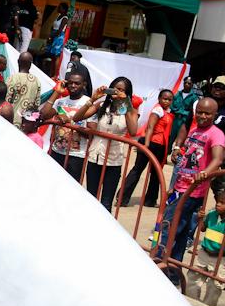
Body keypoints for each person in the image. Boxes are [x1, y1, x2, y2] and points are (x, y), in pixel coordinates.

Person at [157, 98, 225, 284]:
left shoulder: (216, 134)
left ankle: (156, 267)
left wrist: (205, 173)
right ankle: (172, 275)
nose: (203, 116)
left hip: (193, 192)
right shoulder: (195, 130)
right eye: (200, 112)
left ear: (215, 115)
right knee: (178, 234)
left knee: (167, 229)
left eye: (208, 113)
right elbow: (188, 158)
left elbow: (218, 159)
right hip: (181, 186)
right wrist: (175, 181)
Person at [73, 78, 139, 212]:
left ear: (127, 93)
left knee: (106, 203)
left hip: (113, 160)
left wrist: (125, 103)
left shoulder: (130, 110)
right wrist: (92, 99)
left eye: (121, 90)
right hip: (95, 157)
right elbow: (76, 118)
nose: (117, 92)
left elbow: (133, 131)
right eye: (115, 88)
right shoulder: (102, 105)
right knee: (91, 198)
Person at [175, 76, 225, 196]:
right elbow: (185, 126)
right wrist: (177, 147)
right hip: (191, 154)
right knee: (178, 184)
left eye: (223, 88)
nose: (218, 89)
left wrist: (217, 162)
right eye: (216, 86)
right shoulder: (199, 104)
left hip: (215, 158)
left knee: (212, 190)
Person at [188, 191, 225, 306]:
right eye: (217, 201)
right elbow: (203, 229)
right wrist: (200, 219)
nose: (218, 204)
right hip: (204, 252)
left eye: (222, 203)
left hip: (220, 258)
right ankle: (191, 301)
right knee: (194, 278)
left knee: (215, 285)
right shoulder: (212, 214)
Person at [119, 89, 175, 207]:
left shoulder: (166, 111)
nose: (167, 101)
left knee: (155, 174)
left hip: (159, 145)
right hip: (152, 143)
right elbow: (150, 127)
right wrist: (146, 145)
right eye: (164, 99)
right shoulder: (158, 110)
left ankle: (149, 200)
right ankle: (122, 197)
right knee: (138, 170)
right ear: (159, 99)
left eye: (169, 99)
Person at [40, 72, 90, 182]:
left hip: (76, 155)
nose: (73, 86)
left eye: (77, 83)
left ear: (84, 84)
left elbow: (91, 133)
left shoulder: (88, 103)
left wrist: (70, 122)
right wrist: (56, 92)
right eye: (70, 83)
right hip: (56, 152)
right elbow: (43, 115)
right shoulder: (60, 101)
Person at [6, 51, 41, 127]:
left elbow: (6, 101)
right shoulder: (36, 81)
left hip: (11, 120)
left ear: (18, 62)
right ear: (31, 64)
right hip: (27, 123)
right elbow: (37, 104)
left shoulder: (12, 78)